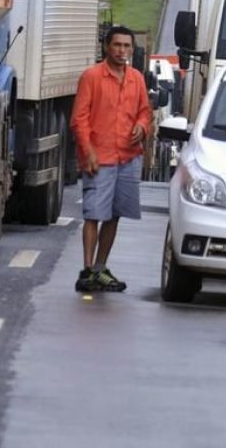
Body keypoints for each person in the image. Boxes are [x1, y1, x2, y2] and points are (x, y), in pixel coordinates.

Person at [70, 25, 152, 293]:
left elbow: (144, 112)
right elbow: (78, 119)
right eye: (117, 45)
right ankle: (86, 271)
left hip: (128, 158)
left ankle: (100, 268)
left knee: (114, 215)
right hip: (100, 158)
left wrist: (142, 126)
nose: (122, 51)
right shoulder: (92, 77)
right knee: (94, 214)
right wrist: (88, 151)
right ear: (107, 47)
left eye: (127, 46)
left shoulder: (137, 78)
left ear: (132, 49)